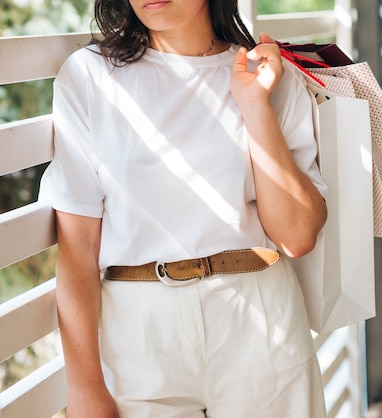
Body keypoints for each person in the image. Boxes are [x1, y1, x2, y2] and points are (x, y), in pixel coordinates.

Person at [38, 0, 329, 416]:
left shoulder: (268, 75)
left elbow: (298, 236)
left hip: (262, 321)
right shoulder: (89, 76)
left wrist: (254, 105)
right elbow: (78, 247)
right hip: (138, 334)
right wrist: (84, 389)